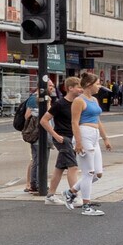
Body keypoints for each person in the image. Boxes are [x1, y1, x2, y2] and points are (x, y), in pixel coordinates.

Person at [73, 71, 111, 217]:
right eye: (97, 84)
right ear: (89, 85)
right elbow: (74, 122)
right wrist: (78, 142)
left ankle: (71, 192)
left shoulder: (94, 100)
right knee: (88, 173)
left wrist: (105, 138)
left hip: (94, 135)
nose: (99, 86)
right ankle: (86, 206)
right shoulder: (79, 101)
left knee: (97, 173)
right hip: (84, 134)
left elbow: (98, 120)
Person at [43, 77, 82, 209]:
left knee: (60, 167)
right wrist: (55, 135)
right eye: (78, 87)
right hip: (63, 138)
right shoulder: (60, 104)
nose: (81, 90)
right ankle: (73, 196)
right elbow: (44, 120)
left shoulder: (77, 103)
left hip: (72, 138)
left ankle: (50, 196)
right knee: (73, 166)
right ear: (70, 88)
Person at [20, 77, 50, 196]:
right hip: (36, 133)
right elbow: (27, 116)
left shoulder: (46, 98)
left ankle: (36, 183)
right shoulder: (34, 99)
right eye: (50, 86)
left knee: (38, 159)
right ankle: (36, 184)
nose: (52, 88)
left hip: (41, 133)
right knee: (38, 159)